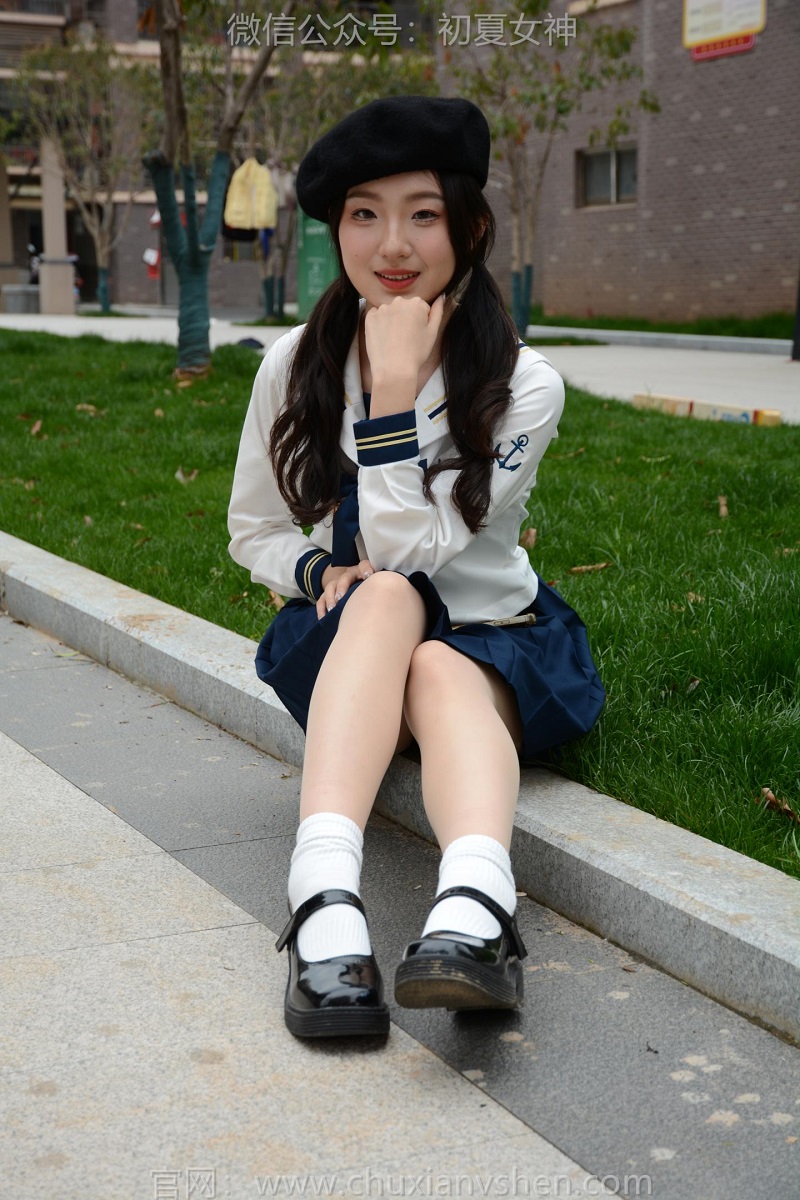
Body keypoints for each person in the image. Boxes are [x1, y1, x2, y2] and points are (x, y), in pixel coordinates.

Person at [228, 96, 605, 1040]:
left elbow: (409, 544)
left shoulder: (524, 384)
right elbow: (253, 529)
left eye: (423, 214)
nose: (392, 244)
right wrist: (315, 574)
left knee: (434, 653)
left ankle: (473, 912)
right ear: (336, 229)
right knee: (385, 597)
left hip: (489, 646)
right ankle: (325, 897)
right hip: (356, 647)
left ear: (470, 228)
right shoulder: (293, 364)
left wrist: (394, 398)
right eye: (364, 213)